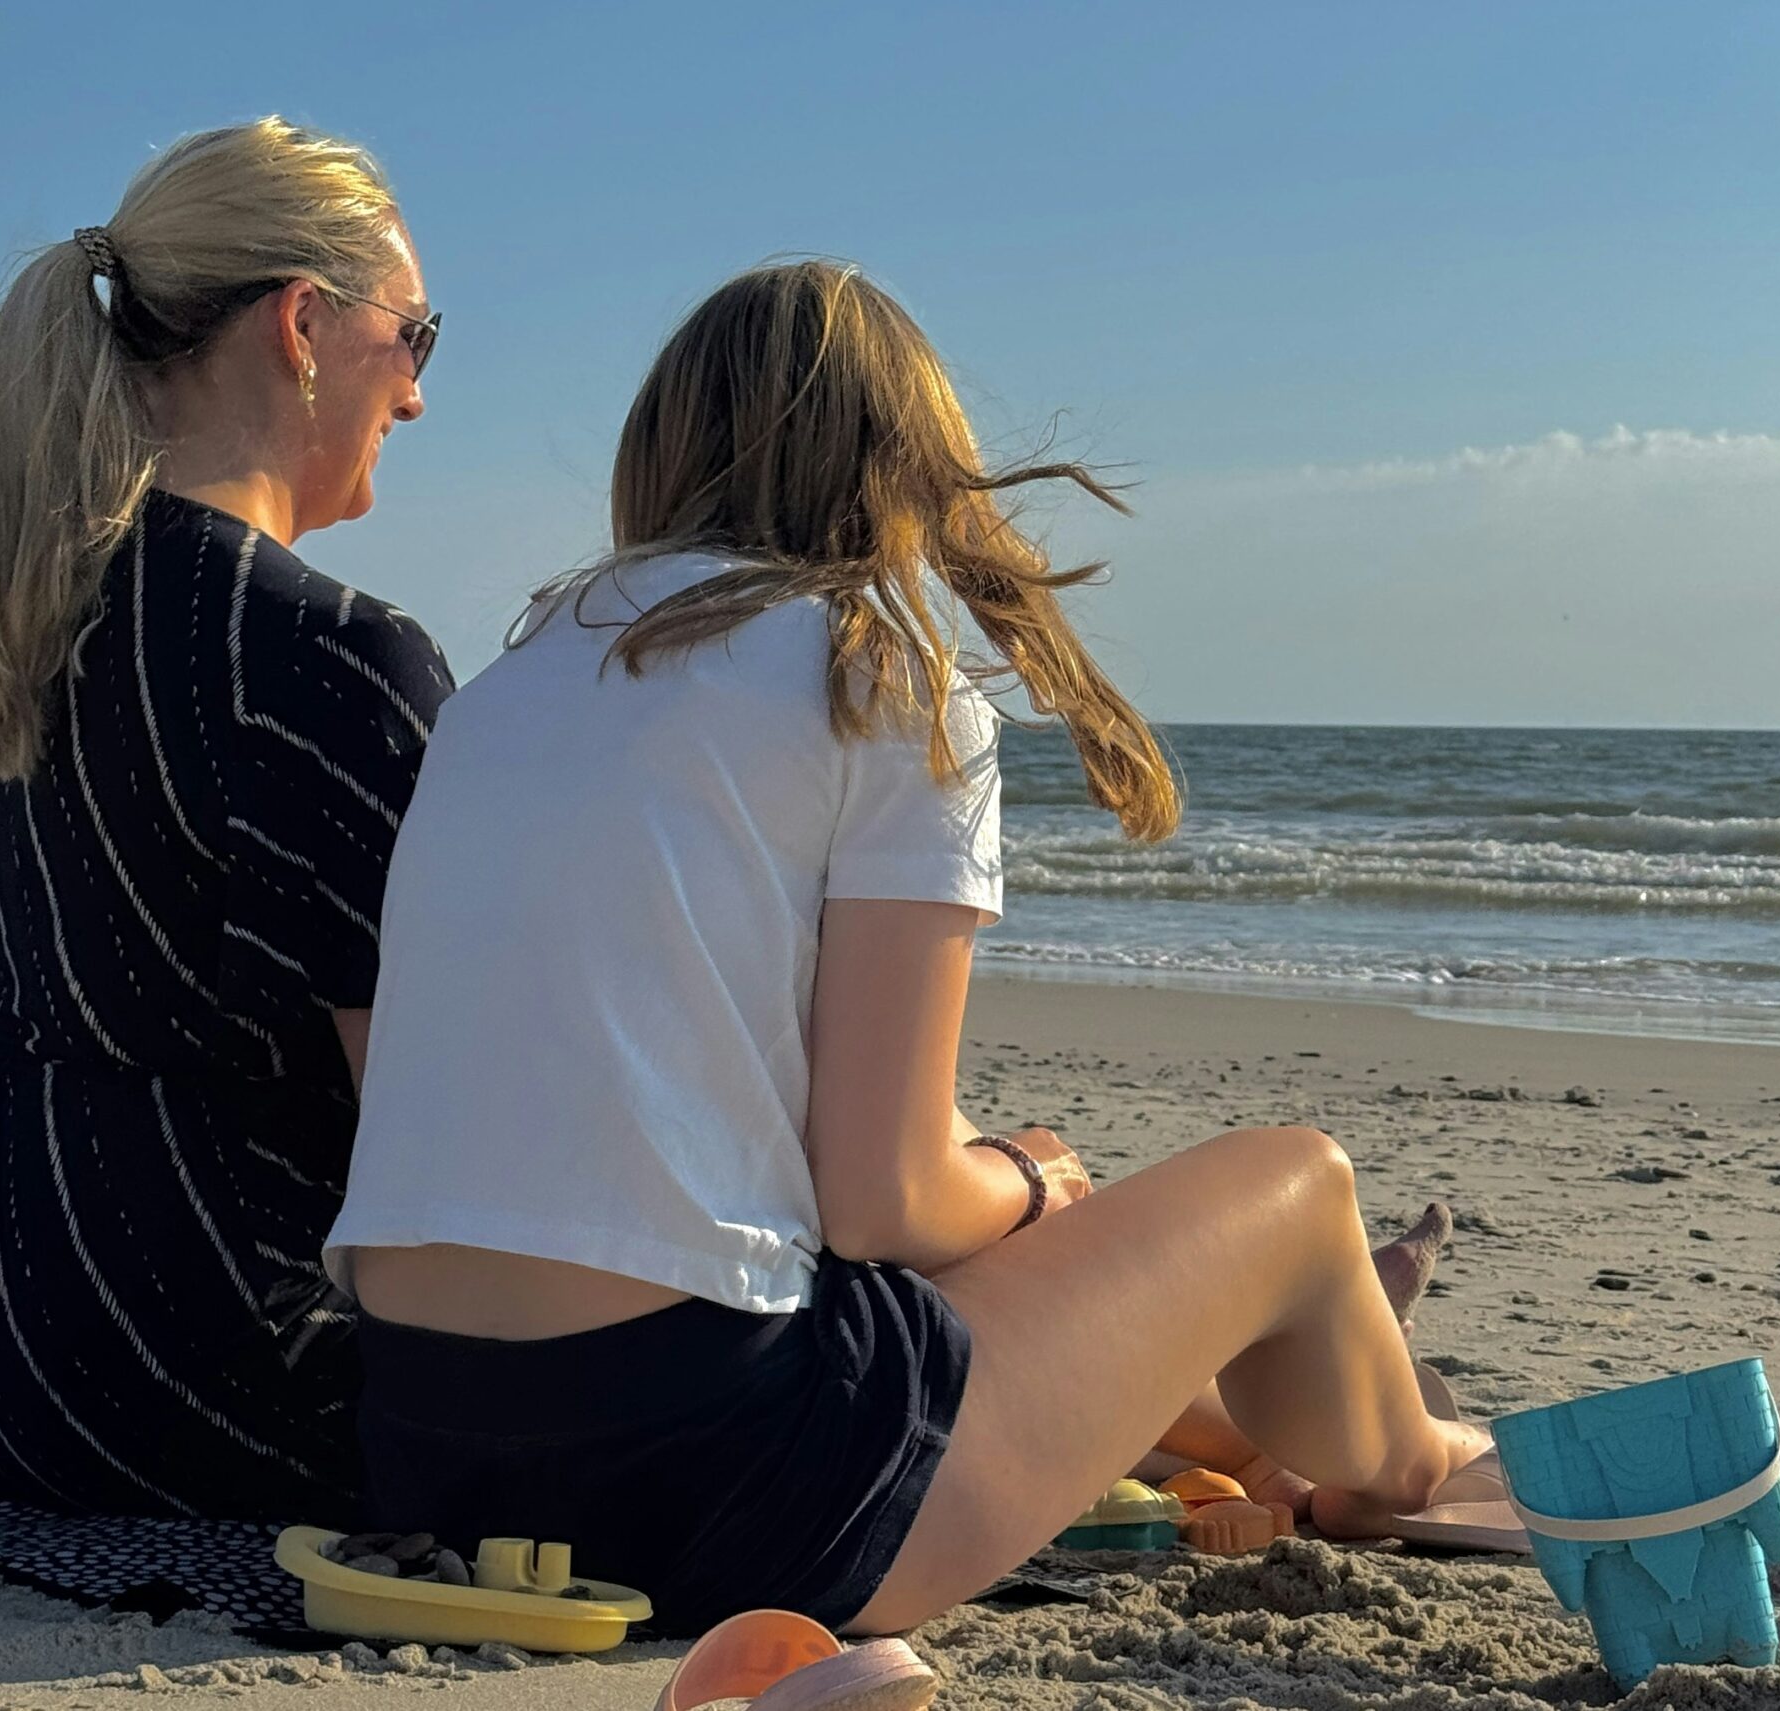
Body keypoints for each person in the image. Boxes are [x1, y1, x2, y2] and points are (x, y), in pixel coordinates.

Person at [329, 260, 1494, 1634]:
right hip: (721, 1492)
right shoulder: (874, 681)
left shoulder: (497, 697)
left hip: (425, 1455)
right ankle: (1410, 1457)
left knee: (946, 1212)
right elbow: (881, 1206)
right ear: (907, 467)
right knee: (1298, 1183)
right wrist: (1035, 1178)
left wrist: (990, 1184)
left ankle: (1264, 1419)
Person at [0, 118, 451, 1520]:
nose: (417, 395)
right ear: (302, 325)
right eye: (415, 337)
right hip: (219, 1367)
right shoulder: (331, 654)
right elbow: (428, 1131)